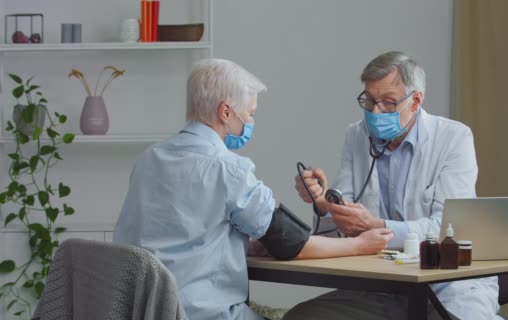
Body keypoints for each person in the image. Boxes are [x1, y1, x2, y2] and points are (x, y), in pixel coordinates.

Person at [112, 58, 393, 320]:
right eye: (249, 113)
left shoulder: (149, 159)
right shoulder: (229, 168)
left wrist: (244, 244)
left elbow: (180, 233)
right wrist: (358, 245)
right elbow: (291, 242)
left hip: (145, 311)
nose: (250, 122)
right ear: (225, 112)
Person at [286, 51, 501, 319]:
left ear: (415, 101)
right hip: (381, 286)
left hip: (446, 283)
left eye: (387, 102)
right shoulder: (356, 135)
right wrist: (324, 205)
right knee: (304, 317)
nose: (375, 112)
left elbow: (448, 228)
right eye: (369, 101)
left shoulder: (453, 138)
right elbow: (345, 223)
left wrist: (378, 227)